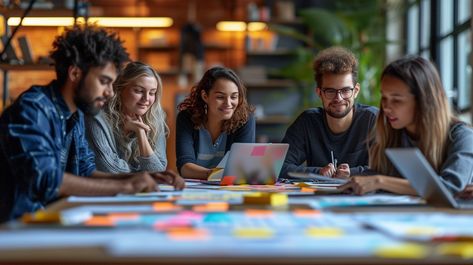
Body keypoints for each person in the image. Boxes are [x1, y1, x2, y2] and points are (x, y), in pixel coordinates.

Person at [0, 27, 184, 222]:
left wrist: (141, 178)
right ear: (75, 73)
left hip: (47, 221)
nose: (110, 93)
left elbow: (86, 171)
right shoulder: (33, 109)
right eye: (103, 81)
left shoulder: (76, 114)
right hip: (14, 228)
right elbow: (45, 177)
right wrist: (125, 187)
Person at [341, 56, 473, 195]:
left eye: (396, 100)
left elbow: (450, 186)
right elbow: (385, 174)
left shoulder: (463, 136)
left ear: (424, 101)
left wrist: (379, 181)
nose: (385, 108)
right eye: (384, 98)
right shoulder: (396, 134)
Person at [280, 47, 378, 179]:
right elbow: (279, 166)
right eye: (330, 91)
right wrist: (318, 172)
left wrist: (352, 173)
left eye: (345, 90)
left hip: (362, 197)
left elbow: (388, 169)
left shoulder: (372, 120)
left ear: (356, 91)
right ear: (319, 92)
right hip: (316, 197)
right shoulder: (307, 122)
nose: (338, 98)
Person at [85, 61, 168, 173]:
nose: (146, 99)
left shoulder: (155, 117)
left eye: (152, 93)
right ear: (120, 90)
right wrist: (141, 171)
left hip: (138, 188)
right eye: (138, 91)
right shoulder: (97, 117)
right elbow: (108, 168)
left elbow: (159, 170)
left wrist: (140, 133)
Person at [176, 66, 255, 179]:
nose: (228, 103)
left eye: (234, 97)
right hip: (195, 191)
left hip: (230, 189)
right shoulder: (187, 118)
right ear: (205, 96)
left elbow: (241, 167)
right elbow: (184, 167)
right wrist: (214, 175)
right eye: (220, 97)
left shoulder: (244, 119)